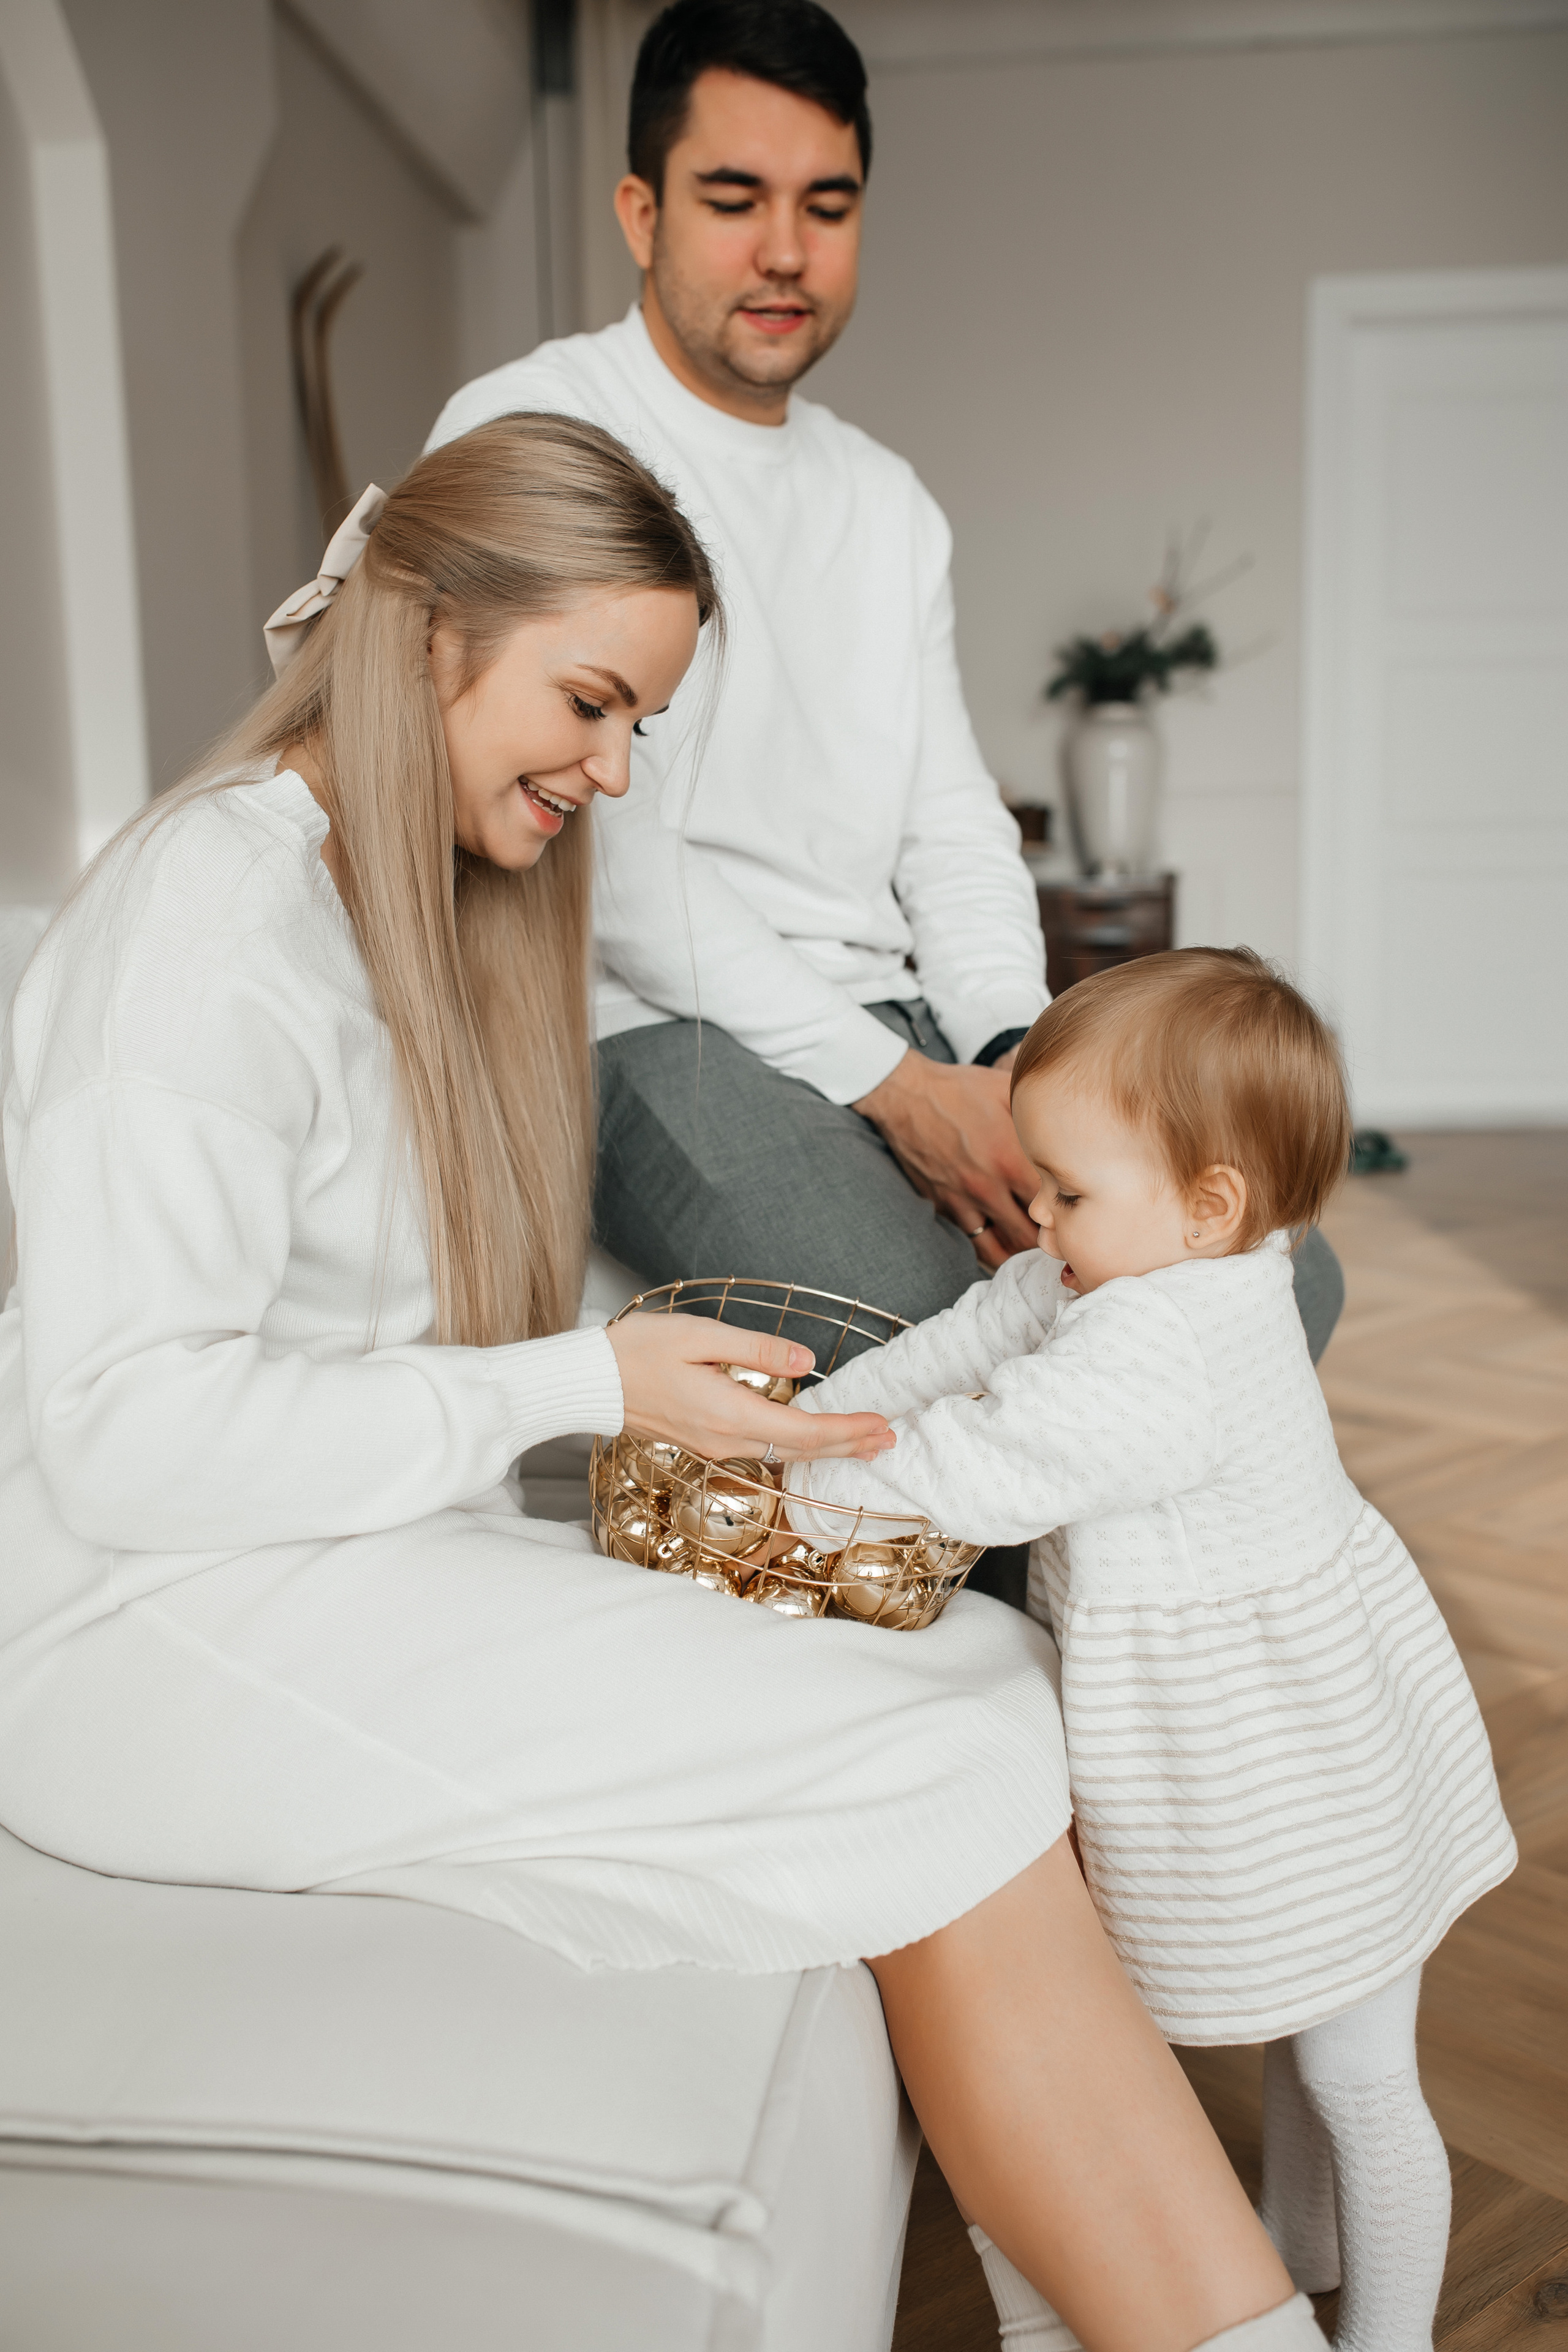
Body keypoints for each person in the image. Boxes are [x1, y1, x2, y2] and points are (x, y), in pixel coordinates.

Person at [0, 418, 1325, 2350]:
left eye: (642, 725)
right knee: (937, 1744)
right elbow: (125, 1438)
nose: (614, 771)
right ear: (432, 632)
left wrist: (648, 1418)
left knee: (979, 1664)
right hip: (131, 1620)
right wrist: (587, 1382)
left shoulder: (399, 897)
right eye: (593, 702)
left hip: (309, 1545)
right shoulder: (206, 925)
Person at [427, 0, 1346, 1371]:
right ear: (638, 212)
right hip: (642, 1030)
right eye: (733, 199)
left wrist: (1022, 1059)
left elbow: (948, 820)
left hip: (894, 1004)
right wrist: (897, 1090)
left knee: (1271, 1265)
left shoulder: (888, 502)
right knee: (933, 1336)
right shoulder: (532, 431)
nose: (786, 252)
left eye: (828, 204)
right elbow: (610, 863)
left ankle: (1128, 1560)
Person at [788, 948, 1517, 2352]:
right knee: (1317, 2043)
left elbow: (987, 1467)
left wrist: (817, 1491)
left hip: (1305, 1749)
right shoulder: (1140, 1270)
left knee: (1360, 2076)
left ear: (1207, 1205)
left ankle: (1392, 2339)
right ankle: (1301, 2251)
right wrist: (827, 1416)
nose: (1036, 1220)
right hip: (1294, 1715)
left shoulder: (1167, 1348)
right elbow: (970, 1337)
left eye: (1067, 1192)